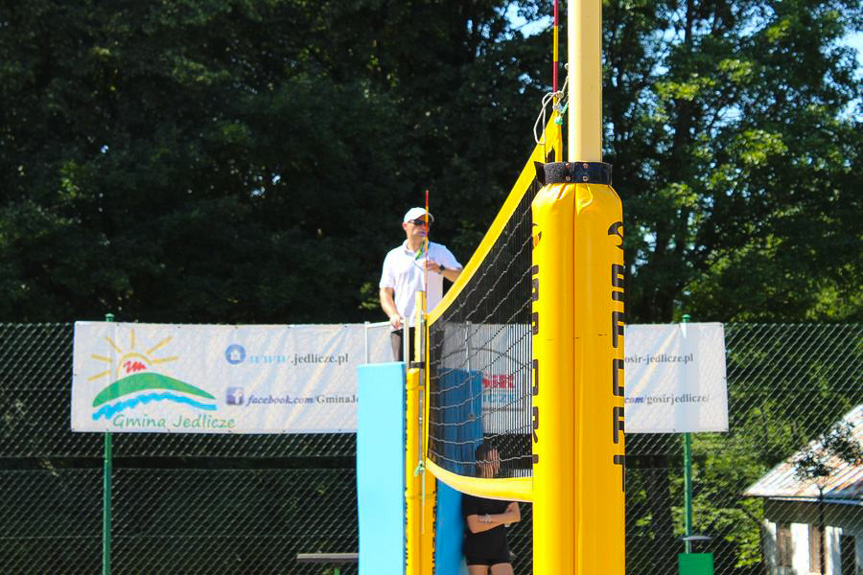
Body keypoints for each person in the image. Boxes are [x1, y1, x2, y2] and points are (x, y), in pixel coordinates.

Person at [379, 207, 462, 360]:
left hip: (432, 325)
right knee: (404, 377)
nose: (423, 226)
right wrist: (393, 315)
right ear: (405, 226)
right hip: (402, 325)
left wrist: (440, 269)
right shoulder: (393, 256)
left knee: (432, 378)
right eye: (418, 222)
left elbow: (461, 276)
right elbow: (385, 292)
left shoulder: (440, 251)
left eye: (427, 224)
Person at [462, 443, 521, 575]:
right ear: (481, 462)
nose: (497, 463)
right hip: (477, 549)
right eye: (493, 460)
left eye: (498, 459)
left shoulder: (503, 486)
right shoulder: (471, 489)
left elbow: (516, 516)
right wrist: (504, 518)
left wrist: (487, 518)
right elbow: (475, 527)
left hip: (499, 549)